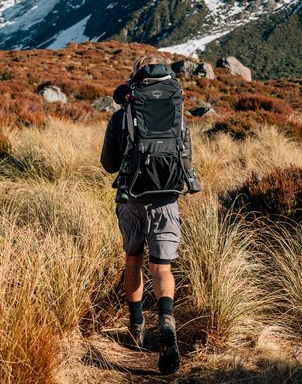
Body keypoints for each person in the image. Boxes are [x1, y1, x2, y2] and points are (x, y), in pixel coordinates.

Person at [100, 54, 199, 375]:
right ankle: (167, 323)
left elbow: (109, 164)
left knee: (133, 259)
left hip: (131, 195)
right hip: (167, 195)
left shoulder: (121, 115)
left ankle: (137, 326)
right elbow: (185, 155)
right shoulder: (177, 112)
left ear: (134, 78)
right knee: (162, 266)